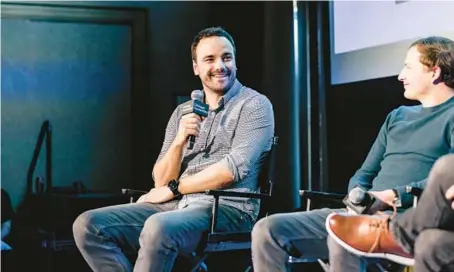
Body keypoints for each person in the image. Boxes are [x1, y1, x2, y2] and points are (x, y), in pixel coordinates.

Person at [73, 26, 275, 272]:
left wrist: (173, 188)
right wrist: (179, 140)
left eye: (226, 57)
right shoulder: (184, 111)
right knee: (88, 225)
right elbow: (160, 179)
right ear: (196, 68)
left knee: (158, 227)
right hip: (176, 206)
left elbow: (231, 171)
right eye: (210, 59)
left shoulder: (254, 105)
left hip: (227, 208)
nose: (220, 66)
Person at [251, 36, 454, 272]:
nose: (400, 75)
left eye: (408, 67)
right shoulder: (398, 117)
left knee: (345, 240)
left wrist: (392, 197)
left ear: (434, 72)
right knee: (267, 230)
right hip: (364, 212)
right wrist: (360, 197)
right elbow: (364, 173)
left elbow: (448, 176)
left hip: (404, 217)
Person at [326, 153, 454, 272]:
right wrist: (358, 197)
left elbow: (434, 184)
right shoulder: (389, 127)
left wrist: (394, 195)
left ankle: (399, 232)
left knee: (447, 167)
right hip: (363, 209)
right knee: (430, 242)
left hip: (402, 212)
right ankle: (400, 233)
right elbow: (365, 172)